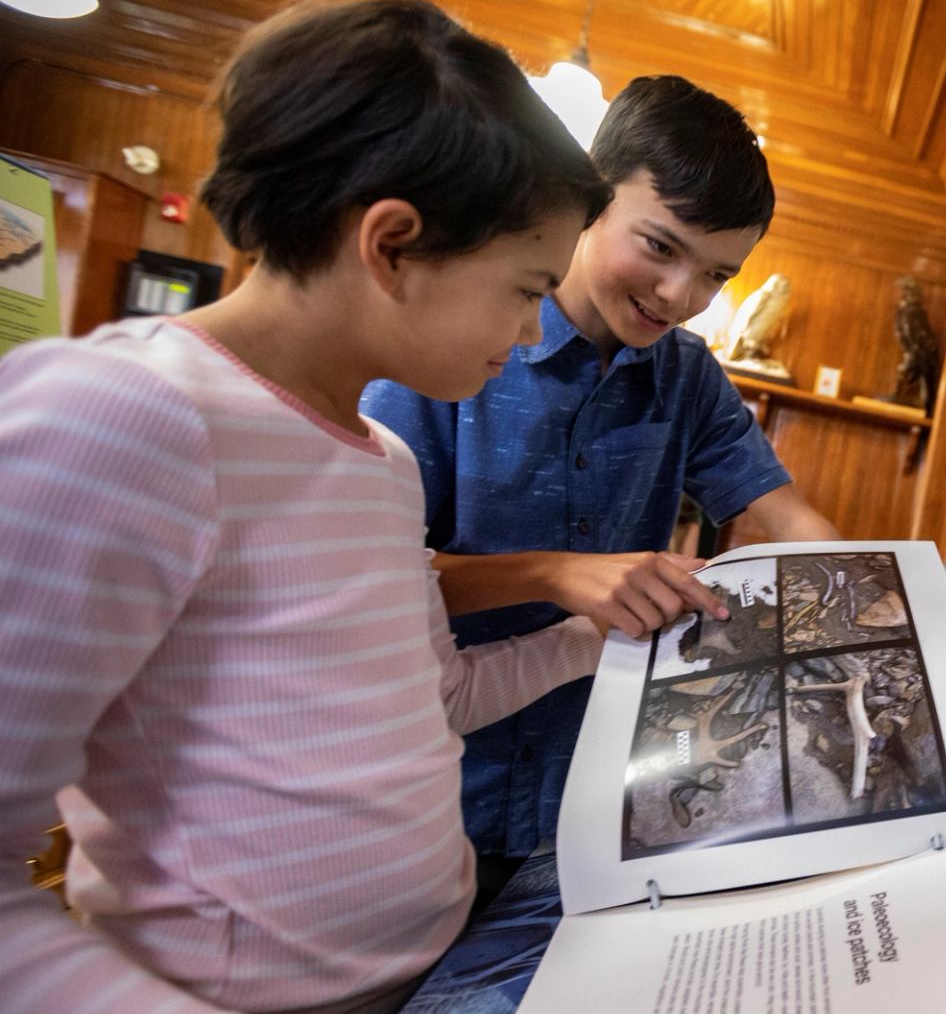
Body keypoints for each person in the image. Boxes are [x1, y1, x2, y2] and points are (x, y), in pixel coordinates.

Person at [0, 0, 616, 1014]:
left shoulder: (377, 461)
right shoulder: (122, 418)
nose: (529, 332)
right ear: (394, 243)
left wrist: (598, 640)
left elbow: (433, 700)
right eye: (524, 288)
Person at [361, 74, 846, 893]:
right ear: (590, 198)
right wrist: (562, 574)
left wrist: (931, 653)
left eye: (717, 277)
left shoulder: (686, 374)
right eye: (659, 247)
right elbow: (370, 586)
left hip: (587, 790)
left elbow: (793, 518)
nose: (680, 297)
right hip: (426, 786)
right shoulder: (452, 340)